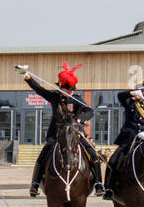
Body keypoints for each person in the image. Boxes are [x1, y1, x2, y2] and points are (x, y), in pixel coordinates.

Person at [21, 63, 102, 198]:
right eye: (65, 89)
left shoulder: (77, 100)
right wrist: (28, 77)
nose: (68, 91)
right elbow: (40, 89)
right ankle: (35, 183)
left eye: (70, 90)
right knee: (43, 156)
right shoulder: (54, 97)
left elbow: (90, 111)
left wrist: (79, 120)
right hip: (56, 134)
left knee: (93, 154)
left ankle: (99, 183)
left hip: (74, 133)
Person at [103, 79, 144, 200]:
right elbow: (120, 95)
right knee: (113, 161)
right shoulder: (130, 103)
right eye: (142, 91)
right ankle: (108, 188)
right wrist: (133, 92)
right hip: (129, 139)